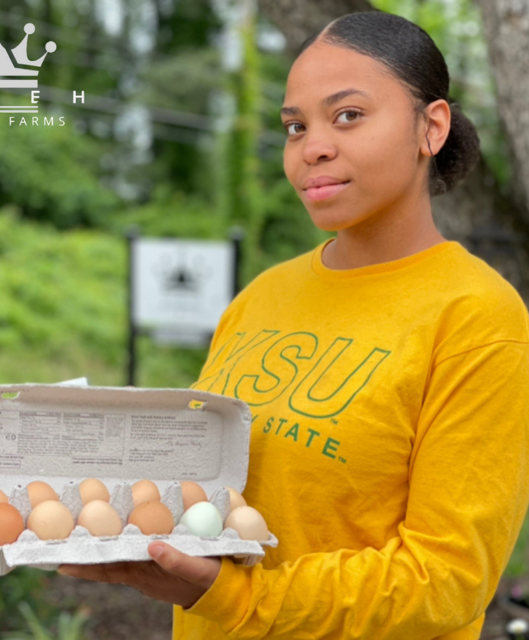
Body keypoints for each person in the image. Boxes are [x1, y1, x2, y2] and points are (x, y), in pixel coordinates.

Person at [58, 10, 529, 639]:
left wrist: (238, 598)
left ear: (431, 126)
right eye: (294, 126)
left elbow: (447, 581)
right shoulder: (261, 297)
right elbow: (203, 492)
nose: (314, 146)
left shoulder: (478, 317)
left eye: (348, 115)